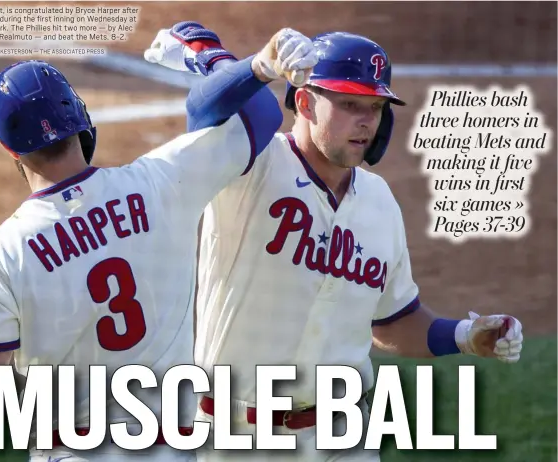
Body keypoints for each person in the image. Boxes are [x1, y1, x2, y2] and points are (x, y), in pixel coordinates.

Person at [0, 24, 320, 462]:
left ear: (9, 149)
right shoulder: (161, 182)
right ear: (80, 118)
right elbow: (260, 117)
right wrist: (236, 61)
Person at [145, 29, 525, 461]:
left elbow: (392, 321)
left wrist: (464, 336)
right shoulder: (250, 164)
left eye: (375, 107)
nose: (366, 121)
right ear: (304, 102)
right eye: (349, 105)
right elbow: (204, 110)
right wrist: (254, 67)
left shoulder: (380, 201)